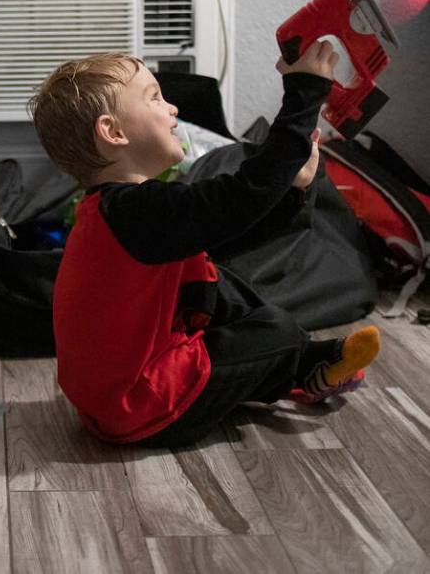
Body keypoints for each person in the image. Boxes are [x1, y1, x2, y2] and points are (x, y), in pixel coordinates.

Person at [28, 43, 380, 447]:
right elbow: (244, 194)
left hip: (119, 397)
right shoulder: (132, 212)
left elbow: (237, 232)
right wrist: (305, 91)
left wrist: (295, 189)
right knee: (275, 330)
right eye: (154, 97)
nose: (172, 108)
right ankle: (300, 369)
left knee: (215, 277)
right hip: (139, 407)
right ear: (114, 132)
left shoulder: (120, 213)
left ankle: (304, 363)